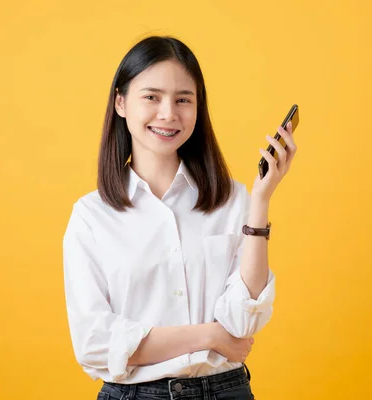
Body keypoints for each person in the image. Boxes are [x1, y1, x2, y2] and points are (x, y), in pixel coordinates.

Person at [63, 35, 298, 400]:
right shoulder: (92, 216)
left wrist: (261, 202)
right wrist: (208, 335)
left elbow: (241, 323)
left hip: (226, 392)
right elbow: (94, 344)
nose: (169, 113)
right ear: (121, 103)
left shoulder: (234, 199)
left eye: (183, 100)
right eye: (152, 97)